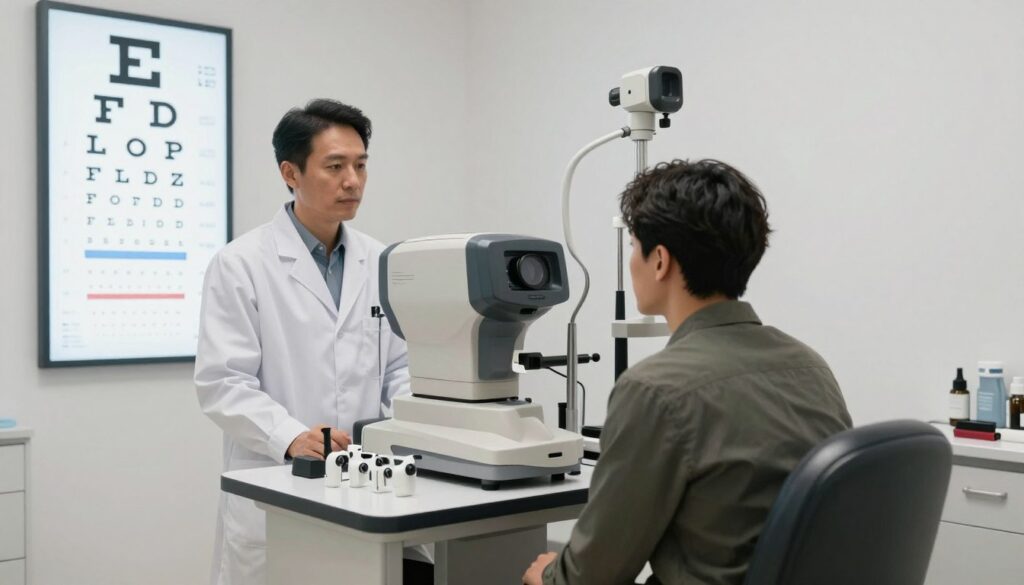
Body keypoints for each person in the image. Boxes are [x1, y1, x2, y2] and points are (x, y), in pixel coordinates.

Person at [523, 159, 852, 585]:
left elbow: (590, 578)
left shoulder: (655, 389)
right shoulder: (810, 367)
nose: (632, 261)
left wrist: (547, 576)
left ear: (660, 261)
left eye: (634, 246)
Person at [195, 99, 412, 585]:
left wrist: (410, 426)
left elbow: (400, 368)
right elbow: (223, 383)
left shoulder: (380, 260)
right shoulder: (241, 264)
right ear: (290, 173)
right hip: (276, 483)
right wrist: (290, 436)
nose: (352, 181)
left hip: (366, 483)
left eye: (360, 165)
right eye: (335, 167)